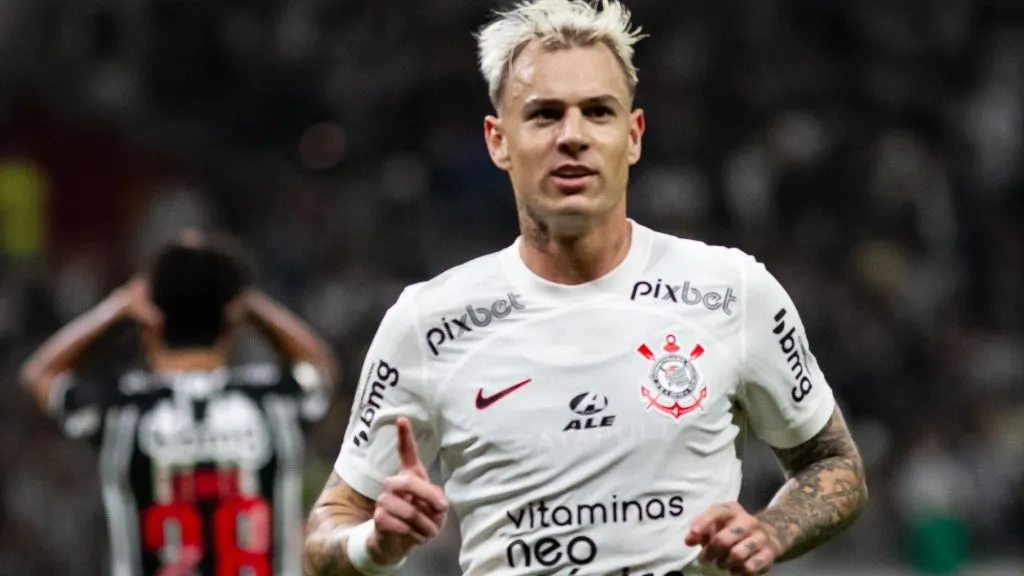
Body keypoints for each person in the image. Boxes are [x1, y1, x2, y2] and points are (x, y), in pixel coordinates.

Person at [303, 0, 867, 575]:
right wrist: (372, 542)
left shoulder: (730, 289)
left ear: (633, 135)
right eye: (545, 115)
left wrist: (770, 531)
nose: (573, 136)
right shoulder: (428, 322)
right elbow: (325, 533)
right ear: (498, 140)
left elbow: (831, 462)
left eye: (598, 112)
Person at [20, 230, 338, 576]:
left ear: (149, 323)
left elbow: (40, 373)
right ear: (231, 324)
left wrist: (121, 306)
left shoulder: (123, 409)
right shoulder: (273, 402)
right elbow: (321, 365)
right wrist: (244, 299)